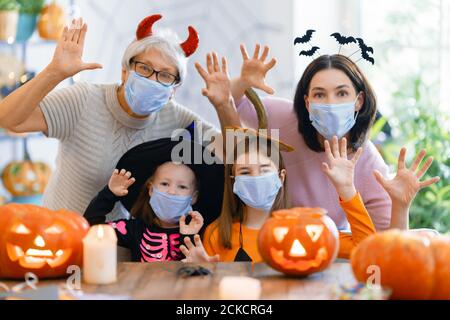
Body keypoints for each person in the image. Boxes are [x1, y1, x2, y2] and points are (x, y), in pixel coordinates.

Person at [0, 15, 240, 218]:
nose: (152, 80)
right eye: (144, 68)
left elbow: (237, 156)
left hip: (128, 250)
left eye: (165, 75)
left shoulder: (177, 121)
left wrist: (225, 106)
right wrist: (54, 72)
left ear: (173, 90)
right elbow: (9, 120)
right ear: (125, 71)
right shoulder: (83, 100)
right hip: (63, 238)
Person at [230, 44, 392, 231]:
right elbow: (232, 102)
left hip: (331, 247)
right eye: (320, 94)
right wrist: (243, 81)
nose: (331, 103)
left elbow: (384, 236)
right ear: (307, 103)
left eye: (342, 93)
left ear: (359, 101)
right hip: (275, 237)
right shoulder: (284, 118)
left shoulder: (370, 164)